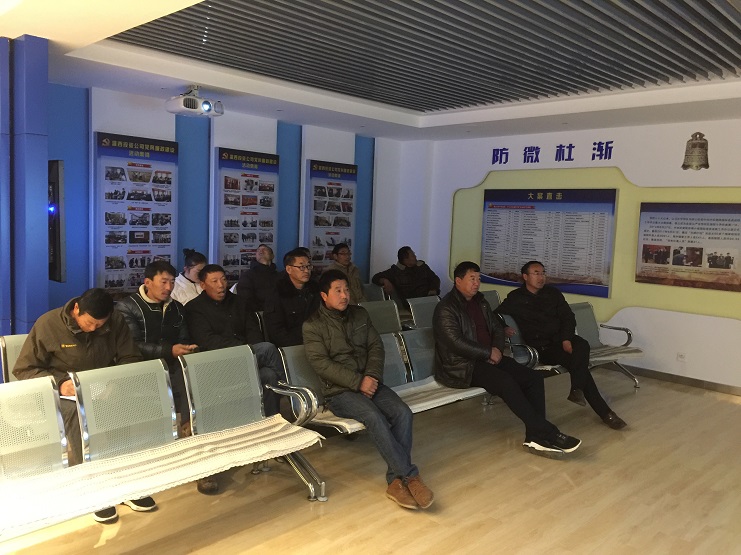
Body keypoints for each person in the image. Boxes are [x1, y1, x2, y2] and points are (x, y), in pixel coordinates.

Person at [13, 288, 156, 523]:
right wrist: (60, 384)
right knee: (76, 413)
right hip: (61, 390)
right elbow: (24, 369)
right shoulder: (48, 324)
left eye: (100, 325)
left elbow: (131, 357)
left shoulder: (115, 321)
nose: (93, 329)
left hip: (103, 386)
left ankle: (122, 479)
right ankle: (91, 483)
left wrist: (113, 382)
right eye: (89, 323)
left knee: (120, 403)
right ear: (77, 309)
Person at [303, 270, 434, 510]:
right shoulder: (313, 326)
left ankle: (395, 481)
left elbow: (376, 346)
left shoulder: (360, 314)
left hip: (371, 382)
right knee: (373, 416)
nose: (344, 295)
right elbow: (321, 364)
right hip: (339, 392)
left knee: (402, 412)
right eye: (338, 291)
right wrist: (357, 382)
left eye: (346, 289)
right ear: (324, 295)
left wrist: (371, 377)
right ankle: (410, 477)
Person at [433, 262, 581, 458]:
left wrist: (495, 349)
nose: (477, 283)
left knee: (533, 378)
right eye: (472, 279)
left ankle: (534, 437)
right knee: (505, 382)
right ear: (458, 281)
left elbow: (496, 327)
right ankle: (548, 432)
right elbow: (455, 342)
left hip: (489, 356)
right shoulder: (446, 308)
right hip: (462, 365)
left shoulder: (481, 302)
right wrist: (487, 352)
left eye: (478, 279)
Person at [115, 261, 219, 495]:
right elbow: (131, 346)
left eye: (172, 282)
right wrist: (169, 350)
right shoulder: (127, 307)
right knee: (184, 381)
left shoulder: (176, 308)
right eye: (164, 282)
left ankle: (200, 455)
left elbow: (183, 337)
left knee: (196, 381)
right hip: (140, 369)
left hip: (173, 365)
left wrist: (186, 348)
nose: (169, 287)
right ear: (147, 282)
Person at [496, 261, 627, 430]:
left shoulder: (553, 294)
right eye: (536, 273)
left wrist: (566, 339)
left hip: (563, 340)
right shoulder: (515, 298)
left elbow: (568, 317)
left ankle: (578, 390)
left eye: (543, 273)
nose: (541, 277)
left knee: (582, 345)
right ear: (525, 276)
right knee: (579, 367)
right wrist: (503, 327)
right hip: (543, 347)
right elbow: (494, 315)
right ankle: (604, 412)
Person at [185, 264, 285, 416]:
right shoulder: (194, 308)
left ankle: (272, 419)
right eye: (214, 281)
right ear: (203, 285)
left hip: (247, 358)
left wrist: (248, 350)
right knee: (268, 349)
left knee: (269, 375)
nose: (221, 285)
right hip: (218, 362)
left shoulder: (240, 302)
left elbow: (253, 331)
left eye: (223, 279)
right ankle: (293, 395)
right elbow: (208, 341)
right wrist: (244, 348)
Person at [263, 248, 321, 347]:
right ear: (289, 269)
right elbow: (276, 332)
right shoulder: (277, 293)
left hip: (316, 342)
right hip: (292, 346)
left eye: (308, 266)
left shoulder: (315, 289)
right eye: (301, 267)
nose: (306, 270)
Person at [372, 246, 440, 304]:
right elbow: (375, 277)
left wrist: (433, 289)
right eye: (413, 255)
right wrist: (385, 280)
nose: (415, 256)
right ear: (406, 260)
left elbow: (435, 278)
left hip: (429, 297)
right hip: (412, 302)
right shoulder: (395, 272)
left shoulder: (422, 267)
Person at [236, 244, 278, 311]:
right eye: (258, 250)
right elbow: (245, 301)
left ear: (272, 256)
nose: (261, 251)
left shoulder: (279, 276)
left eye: (265, 249)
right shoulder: (247, 276)